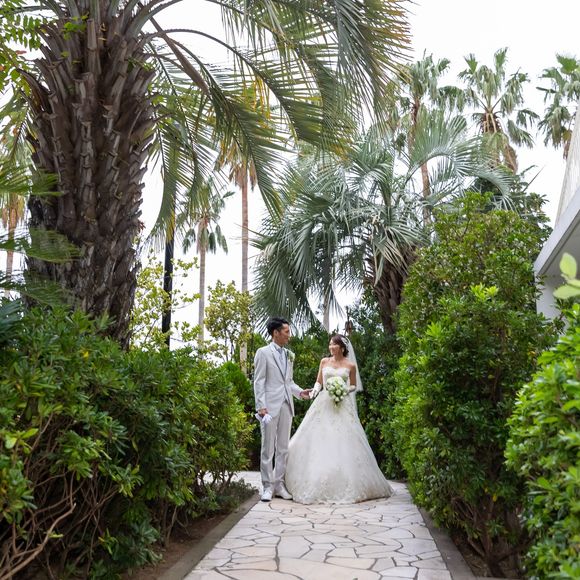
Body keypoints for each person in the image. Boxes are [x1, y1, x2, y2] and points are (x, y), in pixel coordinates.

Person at [285, 334, 392, 504]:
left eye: (334, 345)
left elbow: (354, 385)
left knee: (344, 440)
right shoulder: (324, 362)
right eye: (330, 344)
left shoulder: (350, 365)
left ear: (342, 348)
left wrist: (343, 390)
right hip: (324, 403)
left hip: (342, 404)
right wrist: (313, 392)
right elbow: (319, 382)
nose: (331, 347)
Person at [253, 317, 311, 502]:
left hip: (287, 404)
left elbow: (289, 382)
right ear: (275, 333)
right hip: (269, 407)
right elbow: (259, 381)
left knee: (283, 448)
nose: (289, 335)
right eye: (286, 332)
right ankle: (267, 487)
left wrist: (300, 392)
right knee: (267, 448)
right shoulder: (263, 353)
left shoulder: (289, 354)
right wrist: (261, 406)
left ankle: (279, 485)